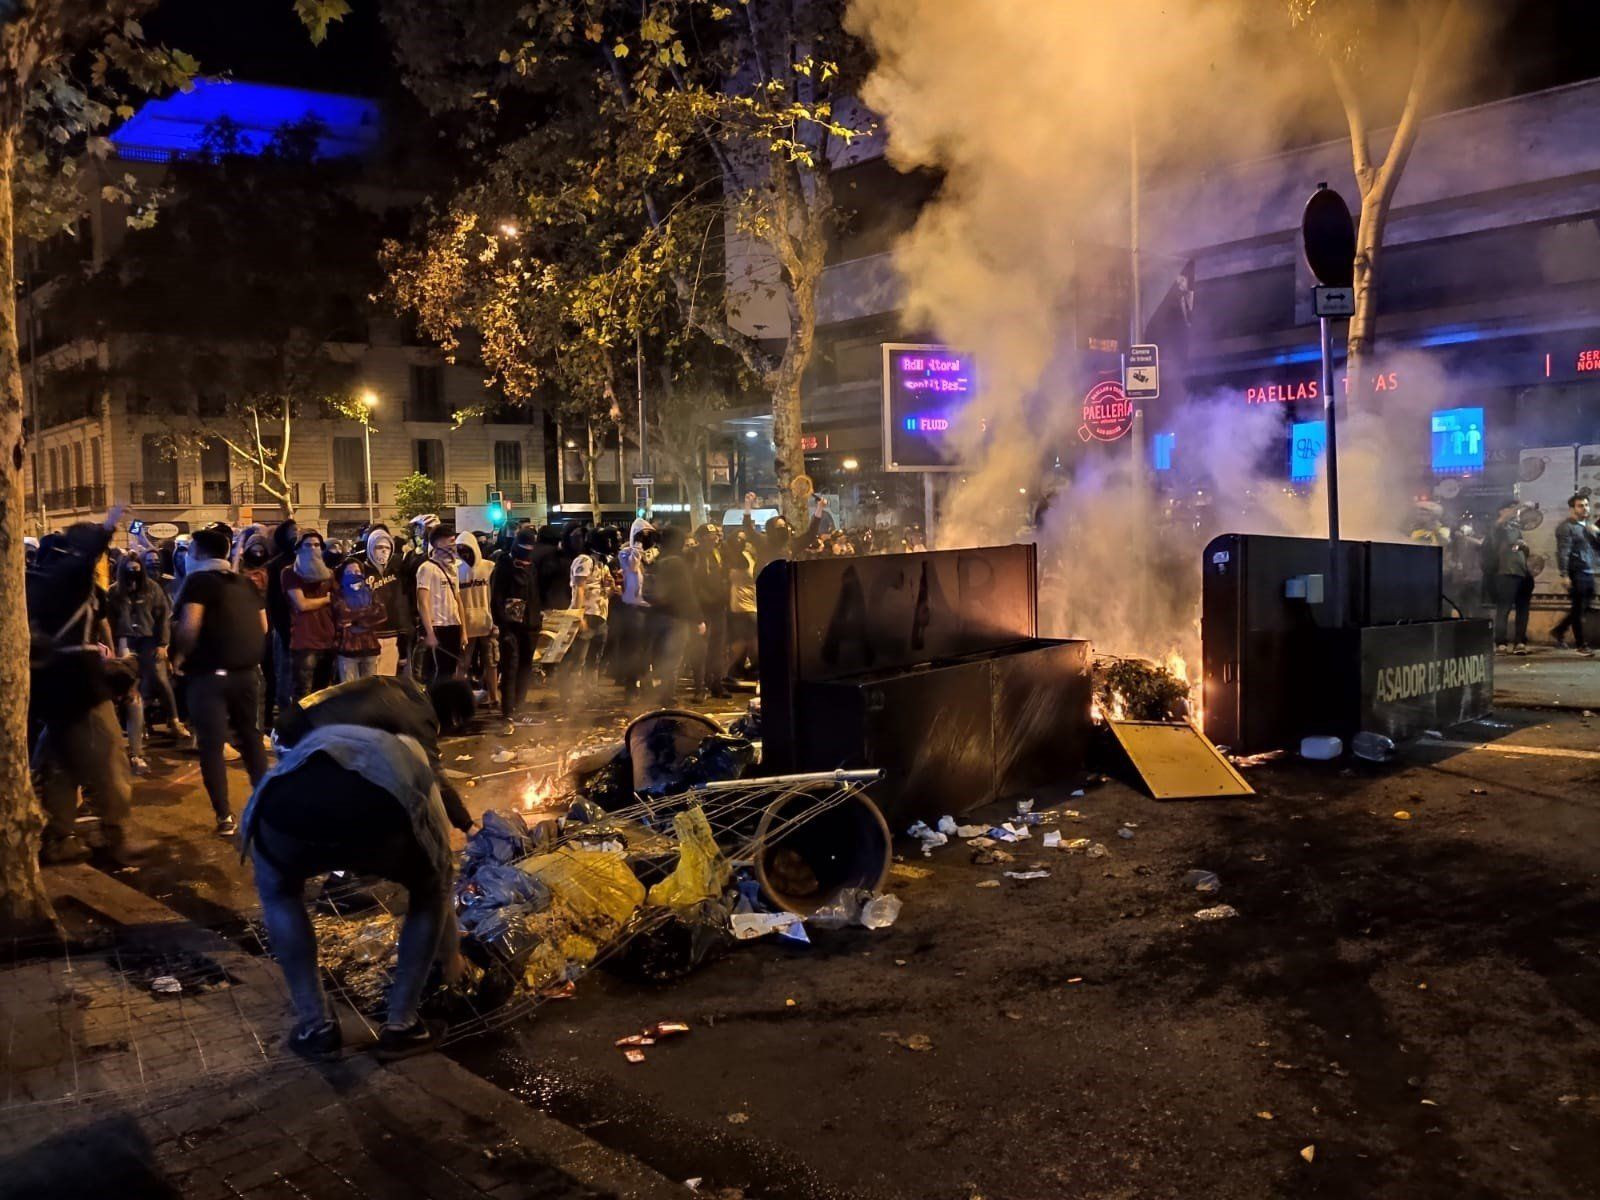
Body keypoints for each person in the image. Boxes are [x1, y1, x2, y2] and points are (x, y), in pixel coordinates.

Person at [245, 676, 477, 1061]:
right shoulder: (413, 748)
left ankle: (316, 1027)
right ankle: (402, 1026)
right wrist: (450, 953)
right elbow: (439, 864)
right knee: (431, 889)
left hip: (285, 806)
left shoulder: (393, 694)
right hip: (374, 815)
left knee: (279, 891)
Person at [28, 512, 147, 864]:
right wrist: (107, 527)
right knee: (110, 759)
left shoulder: (38, 586)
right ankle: (115, 835)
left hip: (52, 686)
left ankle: (59, 837)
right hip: (80, 686)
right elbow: (84, 559)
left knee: (60, 765)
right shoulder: (69, 580)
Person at [169, 526, 272, 835]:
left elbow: (190, 626)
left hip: (208, 677)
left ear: (197, 553)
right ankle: (266, 807)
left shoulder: (198, 582)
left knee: (212, 746)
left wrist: (178, 657)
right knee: (251, 740)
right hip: (247, 674)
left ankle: (224, 817)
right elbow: (263, 627)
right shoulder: (245, 583)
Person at [109, 552, 188, 770]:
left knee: (160, 678)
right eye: (129, 569)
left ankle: (174, 720)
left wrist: (163, 644)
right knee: (131, 686)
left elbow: (163, 617)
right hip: (126, 639)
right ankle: (138, 730)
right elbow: (110, 620)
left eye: (136, 568)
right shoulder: (115, 591)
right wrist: (114, 646)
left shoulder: (152, 588)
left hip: (149, 639)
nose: (133, 572)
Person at [643, 525, 703, 705]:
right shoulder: (677, 563)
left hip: (655, 615)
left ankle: (653, 690)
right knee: (673, 658)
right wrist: (698, 618)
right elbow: (686, 593)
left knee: (659, 656)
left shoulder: (656, 560)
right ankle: (667, 696)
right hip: (675, 617)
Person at [491, 529, 541, 723]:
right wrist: (502, 623)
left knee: (525, 667)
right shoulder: (504, 564)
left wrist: (538, 619)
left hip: (530, 624)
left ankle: (519, 707)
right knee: (510, 667)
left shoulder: (532, 566)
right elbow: (497, 596)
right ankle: (508, 711)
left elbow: (535, 593)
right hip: (510, 626)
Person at [282, 529, 338, 699]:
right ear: (298, 548)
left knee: (322, 693)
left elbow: (338, 600)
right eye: (308, 545)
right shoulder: (290, 573)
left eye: (316, 545)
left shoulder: (329, 574)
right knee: (303, 694)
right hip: (304, 641)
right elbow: (302, 604)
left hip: (327, 639)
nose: (313, 549)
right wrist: (326, 599)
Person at [415, 524, 465, 684]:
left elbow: (458, 599)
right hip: (437, 626)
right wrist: (430, 632)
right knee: (438, 672)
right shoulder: (427, 568)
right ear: (438, 543)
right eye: (450, 541)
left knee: (450, 670)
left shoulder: (453, 568)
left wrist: (463, 630)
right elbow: (422, 601)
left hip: (453, 625)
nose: (453, 545)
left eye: (454, 541)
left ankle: (447, 698)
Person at [564, 537, 612, 700]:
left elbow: (603, 593)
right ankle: (569, 695)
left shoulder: (602, 564)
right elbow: (579, 588)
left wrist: (611, 588)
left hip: (600, 617)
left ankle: (590, 692)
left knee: (594, 659)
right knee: (578, 659)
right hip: (587, 615)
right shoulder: (584, 560)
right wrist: (579, 616)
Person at [1552, 492, 1598, 656]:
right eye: (1580, 506)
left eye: (1586, 505)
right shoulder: (1567, 527)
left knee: (1583, 607)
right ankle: (1581, 645)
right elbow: (1563, 552)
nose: (1584, 508)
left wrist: (1597, 533)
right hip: (1576, 571)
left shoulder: (1589, 526)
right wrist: (1564, 574)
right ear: (1572, 509)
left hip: (1589, 570)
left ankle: (1559, 630)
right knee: (1579, 608)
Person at [456, 529, 497, 706]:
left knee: (491, 661)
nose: (464, 554)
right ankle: (458, 698)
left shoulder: (489, 567)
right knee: (463, 663)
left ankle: (494, 697)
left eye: (467, 550)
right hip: (467, 624)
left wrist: (495, 620)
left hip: (487, 621)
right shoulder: (456, 570)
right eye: (460, 550)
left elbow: (495, 595)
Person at [263, 519, 299, 715]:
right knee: (284, 674)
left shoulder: (306, 561)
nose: (296, 533)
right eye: (292, 530)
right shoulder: (276, 565)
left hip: (306, 628)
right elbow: (274, 601)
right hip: (284, 625)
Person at [1489, 500, 1534, 654]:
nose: (1515, 511)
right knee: (1504, 609)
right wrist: (1521, 506)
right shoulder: (1499, 527)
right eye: (1511, 508)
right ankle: (1500, 643)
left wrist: (1524, 547)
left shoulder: (1517, 527)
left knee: (1523, 609)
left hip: (1523, 572)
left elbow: (1517, 550)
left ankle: (1520, 642)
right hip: (1506, 573)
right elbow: (1501, 523)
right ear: (1501, 511)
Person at [690, 522, 730, 699]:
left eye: (714, 537)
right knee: (700, 649)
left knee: (717, 648)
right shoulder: (693, 556)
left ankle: (716, 684)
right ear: (700, 539)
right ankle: (700, 688)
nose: (713, 540)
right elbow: (691, 584)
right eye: (709, 537)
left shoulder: (719, 554)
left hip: (718, 607)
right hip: (701, 608)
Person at [332, 559, 386, 681]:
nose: (354, 575)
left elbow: (381, 614)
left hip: (370, 647)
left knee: (369, 688)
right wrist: (368, 613)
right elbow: (343, 615)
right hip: (348, 649)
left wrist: (356, 622)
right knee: (349, 689)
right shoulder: (338, 595)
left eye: (357, 571)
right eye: (349, 572)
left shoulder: (371, 592)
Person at [361, 525, 404, 676]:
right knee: (369, 680)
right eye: (379, 547)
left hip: (391, 634)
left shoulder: (396, 571)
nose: (383, 551)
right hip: (368, 635)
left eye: (387, 547)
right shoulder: (361, 570)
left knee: (387, 679)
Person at [725, 529, 759, 684]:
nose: (743, 542)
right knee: (745, 641)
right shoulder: (735, 558)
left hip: (750, 604)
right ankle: (736, 669)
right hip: (740, 605)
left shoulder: (748, 557)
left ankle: (740, 669)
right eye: (739, 539)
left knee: (747, 640)